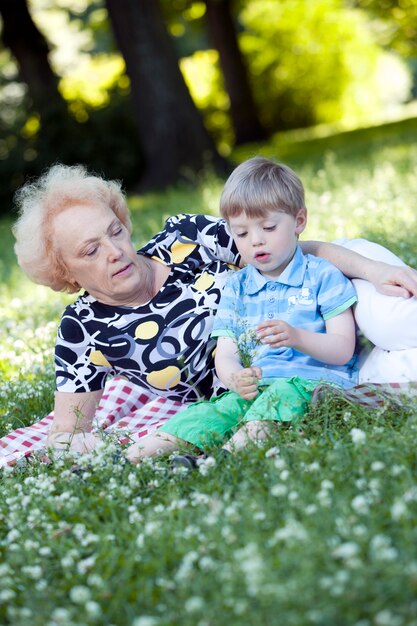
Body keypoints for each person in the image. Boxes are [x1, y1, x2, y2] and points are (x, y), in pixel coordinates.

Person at [3, 161, 417, 467]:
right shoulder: (84, 330)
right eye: (91, 250)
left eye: (115, 231)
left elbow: (285, 249)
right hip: (268, 381)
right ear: (64, 272)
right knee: (396, 370)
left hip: (328, 287)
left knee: (394, 322)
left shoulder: (184, 240)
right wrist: (69, 449)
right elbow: (68, 430)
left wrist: (374, 270)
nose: (115, 252)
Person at [125, 157, 358, 464]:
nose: (256, 240)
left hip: (311, 385)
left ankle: (219, 461)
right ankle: (127, 459)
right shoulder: (237, 287)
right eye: (242, 233)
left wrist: (297, 337)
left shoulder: (322, 276)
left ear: (299, 221)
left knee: (276, 402)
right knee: (209, 412)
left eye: (268, 227)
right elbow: (226, 353)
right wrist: (236, 377)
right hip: (257, 386)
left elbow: (343, 350)